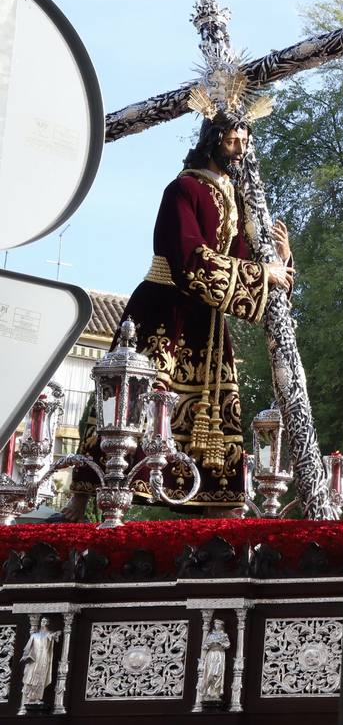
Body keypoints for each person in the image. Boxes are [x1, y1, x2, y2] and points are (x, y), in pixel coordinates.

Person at [66, 113, 292, 516]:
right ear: (213, 139)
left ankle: (217, 501)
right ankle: (82, 496)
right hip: (164, 310)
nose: (240, 151)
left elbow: (238, 257)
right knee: (131, 401)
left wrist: (278, 262)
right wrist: (261, 274)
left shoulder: (233, 197)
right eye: (233, 141)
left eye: (245, 143)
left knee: (218, 408)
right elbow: (189, 258)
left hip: (206, 319)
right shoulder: (183, 189)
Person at [20, 617, 59, 707]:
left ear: (48, 623)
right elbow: (28, 647)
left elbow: (53, 637)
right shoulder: (34, 635)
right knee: (31, 676)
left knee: (40, 677)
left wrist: (55, 635)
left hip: (43, 658)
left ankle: (37, 698)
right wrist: (24, 656)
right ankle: (30, 697)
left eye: (45, 621)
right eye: (42, 621)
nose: (43, 622)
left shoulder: (49, 634)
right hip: (34, 658)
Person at [201, 618, 231, 705]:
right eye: (215, 624)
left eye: (218, 624)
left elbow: (227, 644)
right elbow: (204, 645)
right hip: (211, 654)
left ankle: (216, 693)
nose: (216, 626)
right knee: (209, 673)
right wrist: (209, 644)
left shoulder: (224, 635)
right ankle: (208, 692)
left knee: (218, 673)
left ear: (221, 626)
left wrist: (221, 644)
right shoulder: (210, 635)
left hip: (219, 654)